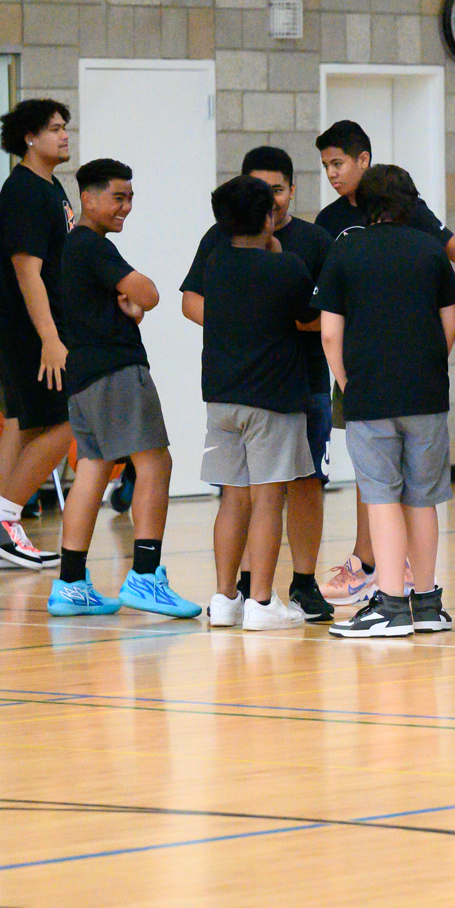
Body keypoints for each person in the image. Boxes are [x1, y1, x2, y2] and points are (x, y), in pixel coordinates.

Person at [312, 119, 455, 605]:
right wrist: (432, 361)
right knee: (422, 499)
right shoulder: (428, 251)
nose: (332, 173)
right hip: (425, 387)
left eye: (337, 163)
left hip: (367, 385)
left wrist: (346, 380)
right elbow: (451, 322)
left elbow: (329, 332)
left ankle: (387, 597)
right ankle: (425, 600)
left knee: (381, 494)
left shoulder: (348, 249)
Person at [181, 146, 334, 623]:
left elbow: (213, 303)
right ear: (267, 216)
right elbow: (308, 317)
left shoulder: (218, 263)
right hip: (274, 398)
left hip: (222, 398)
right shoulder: (286, 266)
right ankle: (262, 602)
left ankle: (225, 598)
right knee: (269, 498)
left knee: (233, 496)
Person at [45, 159, 199, 619]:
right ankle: (145, 576)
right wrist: (138, 302)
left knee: (93, 469)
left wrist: (128, 311)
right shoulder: (93, 246)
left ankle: (71, 583)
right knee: (155, 461)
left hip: (83, 377)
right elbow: (149, 294)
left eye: (130, 197)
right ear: (88, 199)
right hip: (115, 372)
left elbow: (120, 306)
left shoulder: (73, 249)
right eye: (118, 197)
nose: (126, 207)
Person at [0, 98, 72, 572]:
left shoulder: (52, 187)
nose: (64, 135)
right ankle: (2, 519)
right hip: (28, 329)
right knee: (68, 422)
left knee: (27, 427)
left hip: (37, 326)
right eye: (54, 128)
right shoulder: (26, 191)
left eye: (64, 127)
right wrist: (50, 337)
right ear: (29, 137)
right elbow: (27, 272)